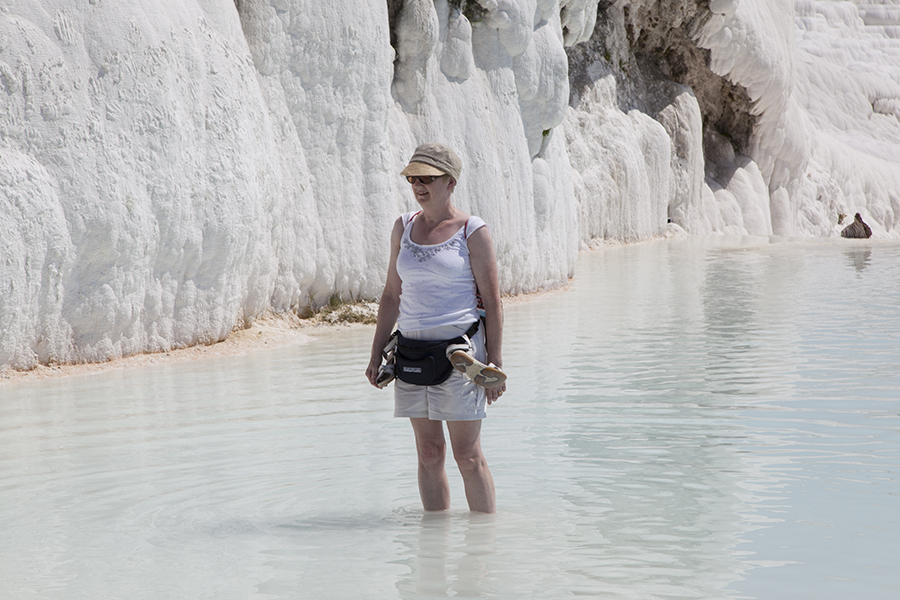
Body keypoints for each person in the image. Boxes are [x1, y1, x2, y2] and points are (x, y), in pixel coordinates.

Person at [365, 143, 506, 514]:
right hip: (410, 351)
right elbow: (392, 295)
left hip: (461, 353)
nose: (419, 185)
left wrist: (495, 361)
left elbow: (492, 301)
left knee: (466, 455)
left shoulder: (472, 231)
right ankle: (434, 552)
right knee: (429, 453)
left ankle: (483, 550)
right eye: (414, 178)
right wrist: (376, 351)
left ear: (451, 182)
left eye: (428, 178)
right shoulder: (404, 226)